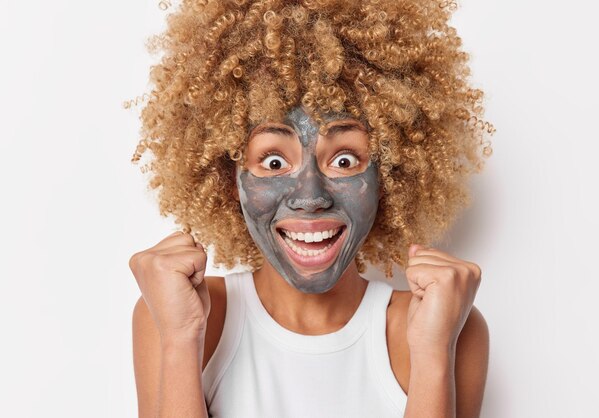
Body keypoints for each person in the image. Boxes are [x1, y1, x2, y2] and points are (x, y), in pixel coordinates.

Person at [129, 1, 493, 417]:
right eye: (273, 162)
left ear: (389, 179)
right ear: (230, 179)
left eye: (343, 160)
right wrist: (180, 337)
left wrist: (431, 351)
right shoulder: (179, 313)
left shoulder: (445, 325)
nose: (309, 196)